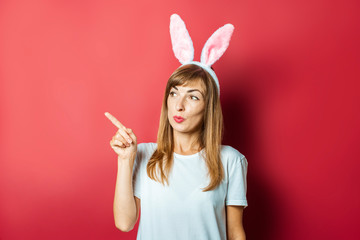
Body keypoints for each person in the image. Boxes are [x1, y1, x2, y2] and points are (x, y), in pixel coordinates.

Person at [105, 14, 248, 240]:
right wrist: (125, 160)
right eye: (174, 94)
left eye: (192, 97)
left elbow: (235, 232)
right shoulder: (144, 154)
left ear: (208, 107)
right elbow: (125, 223)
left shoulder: (231, 161)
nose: (178, 106)